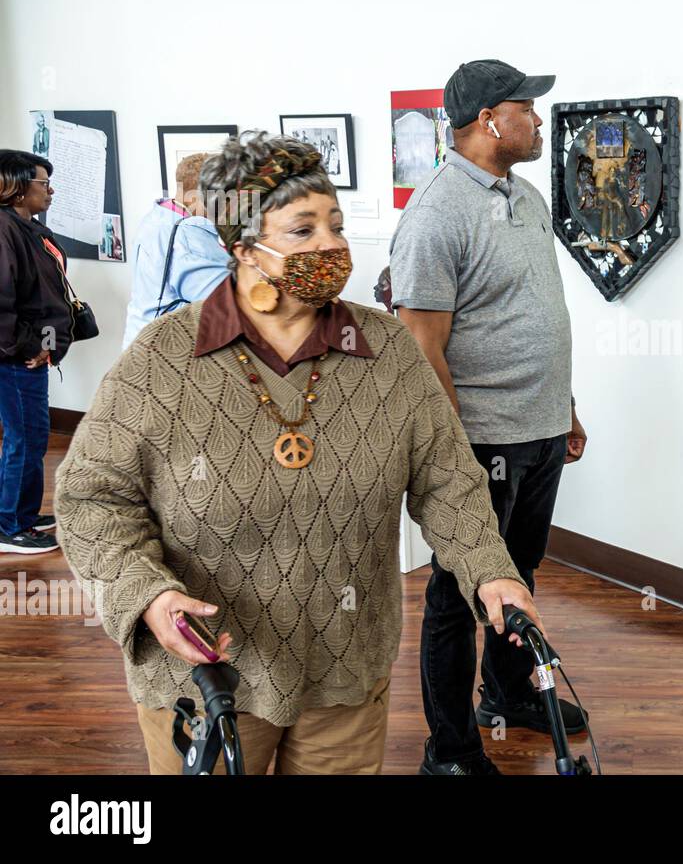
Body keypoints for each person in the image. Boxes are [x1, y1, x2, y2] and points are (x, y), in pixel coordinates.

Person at [55, 132, 543, 774]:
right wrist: (146, 594)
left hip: (344, 673)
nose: (331, 245)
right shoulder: (159, 365)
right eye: (303, 229)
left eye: (335, 225)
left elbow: (448, 480)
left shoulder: (388, 352)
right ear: (241, 247)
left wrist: (490, 568)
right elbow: (91, 498)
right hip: (209, 681)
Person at [390, 59, 588, 775]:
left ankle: (507, 698)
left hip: (537, 430)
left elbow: (534, 312)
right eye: (526, 108)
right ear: (487, 122)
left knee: (521, 571)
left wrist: (562, 406)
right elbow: (422, 348)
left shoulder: (525, 196)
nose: (538, 120)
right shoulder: (436, 212)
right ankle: (450, 750)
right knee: (456, 593)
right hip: (479, 444)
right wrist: (453, 459)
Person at [0, 150, 73, 554]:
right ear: (15, 188)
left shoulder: (28, 227)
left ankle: (22, 512)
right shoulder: (2, 230)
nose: (50, 190)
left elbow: (45, 298)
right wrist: (33, 348)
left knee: (32, 437)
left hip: (34, 353)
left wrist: (48, 347)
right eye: (42, 183)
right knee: (24, 439)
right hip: (15, 359)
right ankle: (10, 526)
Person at [122, 153, 228, 347]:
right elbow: (224, 299)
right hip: (161, 349)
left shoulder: (159, 216)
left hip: (139, 339)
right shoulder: (187, 233)